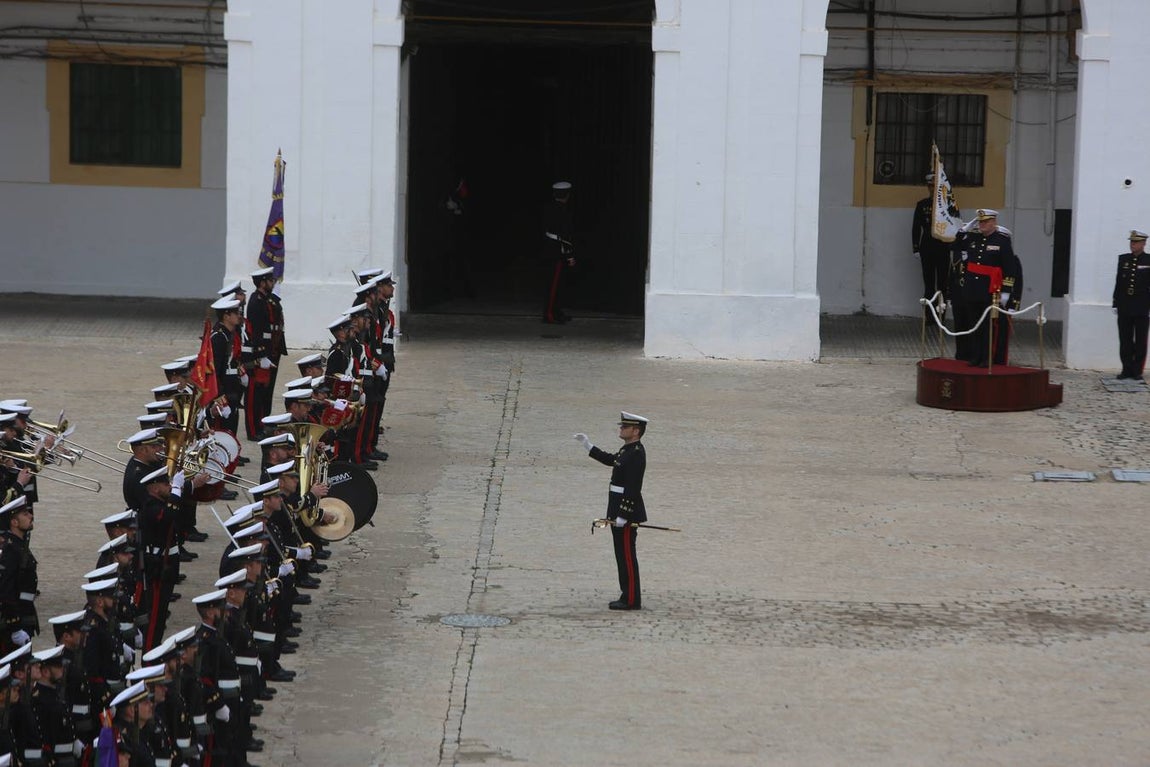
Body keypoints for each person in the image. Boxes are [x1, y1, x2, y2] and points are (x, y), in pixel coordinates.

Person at [573, 412, 649, 611]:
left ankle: (631, 600)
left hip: (626, 513)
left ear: (636, 431)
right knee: (621, 556)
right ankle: (626, 595)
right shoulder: (627, 450)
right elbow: (611, 460)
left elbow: (633, 487)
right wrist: (588, 445)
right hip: (617, 511)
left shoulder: (637, 453)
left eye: (625, 427)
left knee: (627, 557)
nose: (621, 429)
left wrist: (623, 514)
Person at [950, 209, 1013, 367]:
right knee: (974, 324)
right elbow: (955, 246)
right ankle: (975, 356)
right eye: (980, 222)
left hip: (989, 289)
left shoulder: (1002, 241)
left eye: (985, 222)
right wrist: (963, 230)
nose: (982, 224)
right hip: (972, 288)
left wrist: (1006, 291)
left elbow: (1009, 268)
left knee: (987, 326)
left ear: (993, 223)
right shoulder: (973, 238)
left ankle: (986, 357)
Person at [244, 267, 288, 441]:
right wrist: (261, 354)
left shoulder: (268, 299)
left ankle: (263, 423)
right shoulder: (256, 301)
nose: (273, 283)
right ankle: (253, 429)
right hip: (261, 352)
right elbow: (255, 330)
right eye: (270, 281)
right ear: (262, 283)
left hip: (272, 350)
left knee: (266, 392)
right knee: (255, 394)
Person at [0, 496, 38, 655]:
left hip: (25, 614)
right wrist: (15, 628)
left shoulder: (19, 545)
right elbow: (6, 590)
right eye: (25, 514)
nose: (31, 516)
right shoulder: (10, 550)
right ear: (14, 522)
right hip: (16, 620)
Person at [912, 173, 959, 302]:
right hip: (927, 247)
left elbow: (955, 224)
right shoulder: (922, 205)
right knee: (928, 283)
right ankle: (929, 312)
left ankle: (940, 312)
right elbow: (916, 227)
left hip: (943, 246)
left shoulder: (948, 205)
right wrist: (915, 247)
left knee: (943, 283)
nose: (933, 189)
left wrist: (955, 246)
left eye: (935, 186)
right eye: (931, 186)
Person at [1112, 229, 1150, 380]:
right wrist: (1116, 301)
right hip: (1125, 304)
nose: (1132, 244)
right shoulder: (1124, 259)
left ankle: (1137, 370)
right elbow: (1119, 281)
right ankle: (1126, 369)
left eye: (1136, 242)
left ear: (1143, 243)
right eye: (1131, 242)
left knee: (1141, 340)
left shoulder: (1148, 260)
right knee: (1125, 339)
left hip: (1142, 305)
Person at [542, 181, 576, 324]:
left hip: (549, 247)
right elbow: (565, 235)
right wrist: (570, 256)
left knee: (557, 284)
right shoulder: (563, 212)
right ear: (567, 195)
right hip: (557, 250)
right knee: (555, 284)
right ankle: (549, 314)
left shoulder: (549, 208)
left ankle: (556, 311)